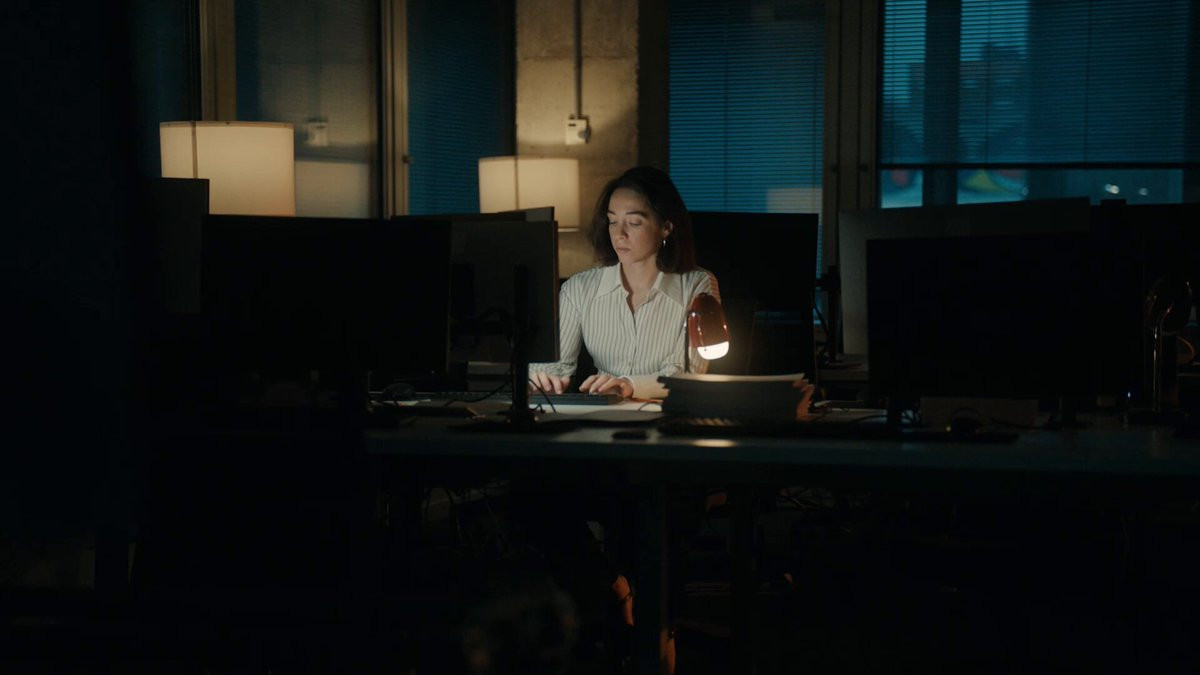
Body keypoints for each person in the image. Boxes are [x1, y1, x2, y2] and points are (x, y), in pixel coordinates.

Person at [530, 166, 720, 400]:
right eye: (612, 221)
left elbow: (687, 371)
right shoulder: (578, 289)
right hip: (601, 413)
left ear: (666, 227)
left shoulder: (697, 284)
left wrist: (629, 385)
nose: (619, 233)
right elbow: (554, 367)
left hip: (668, 413)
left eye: (634, 223)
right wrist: (544, 380)